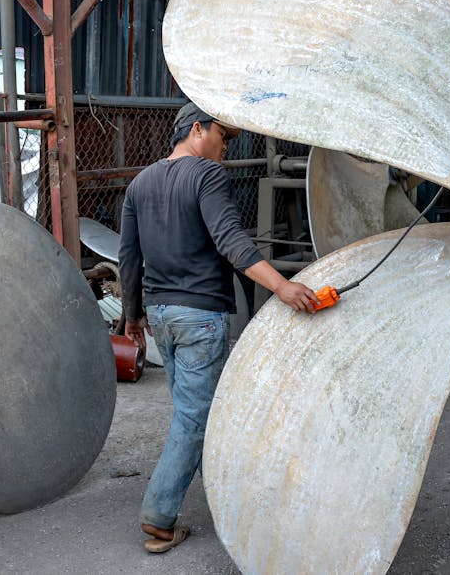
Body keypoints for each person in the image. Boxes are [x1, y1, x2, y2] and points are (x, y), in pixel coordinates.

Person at [118, 101, 318, 554]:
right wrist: (282, 287)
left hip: (163, 316)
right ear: (195, 129)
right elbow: (231, 240)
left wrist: (133, 316)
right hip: (200, 319)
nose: (227, 147)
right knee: (195, 417)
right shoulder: (207, 176)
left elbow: (129, 257)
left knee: (199, 413)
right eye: (222, 137)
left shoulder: (139, 184)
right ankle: (159, 515)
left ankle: (231, 501)